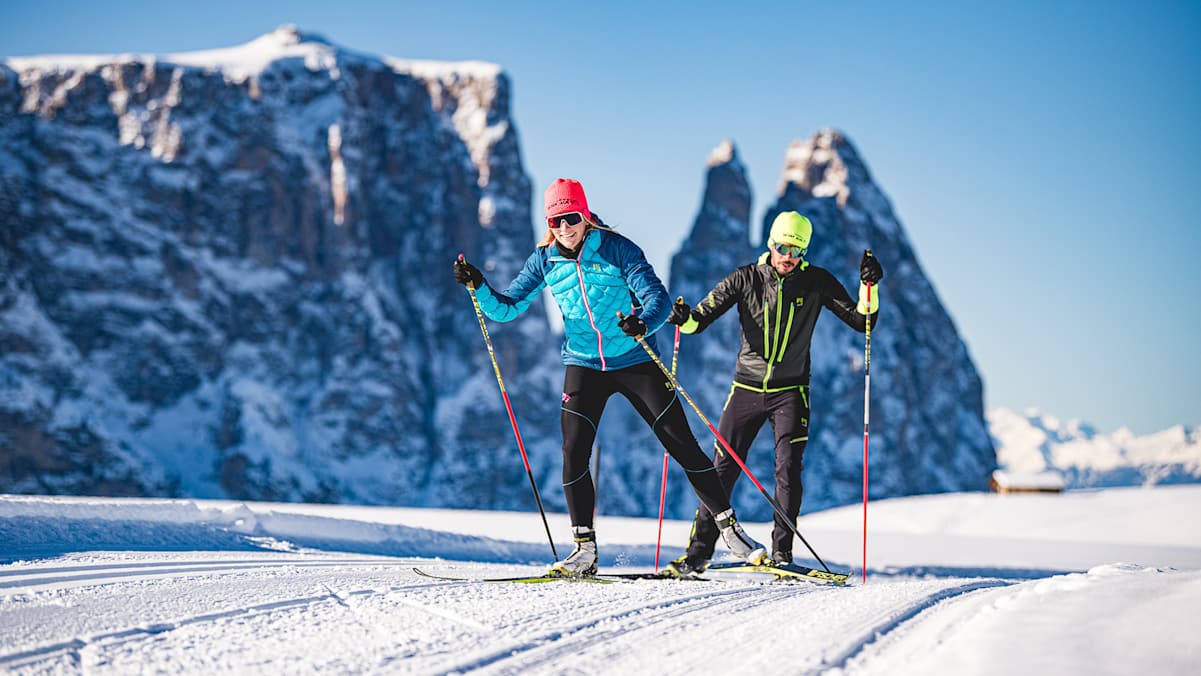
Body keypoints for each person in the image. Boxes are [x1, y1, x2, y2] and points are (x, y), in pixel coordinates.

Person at [453, 178, 768, 577]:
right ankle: (584, 550)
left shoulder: (618, 249)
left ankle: (730, 530)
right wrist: (478, 285)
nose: (565, 228)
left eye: (571, 218)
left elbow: (658, 298)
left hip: (633, 359)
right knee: (573, 451)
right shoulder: (544, 260)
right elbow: (508, 307)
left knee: (682, 444)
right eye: (556, 220)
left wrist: (643, 323)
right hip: (584, 365)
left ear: (585, 216)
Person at [663, 210, 883, 577]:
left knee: (788, 470)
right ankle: (698, 554)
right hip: (745, 388)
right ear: (771, 243)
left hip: (791, 392)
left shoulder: (816, 282)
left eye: (796, 251)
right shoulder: (746, 278)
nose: (787, 256)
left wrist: (868, 287)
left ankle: (782, 554)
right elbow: (698, 321)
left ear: (804, 253)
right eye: (782, 247)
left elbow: (863, 321)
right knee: (720, 472)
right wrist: (682, 316)